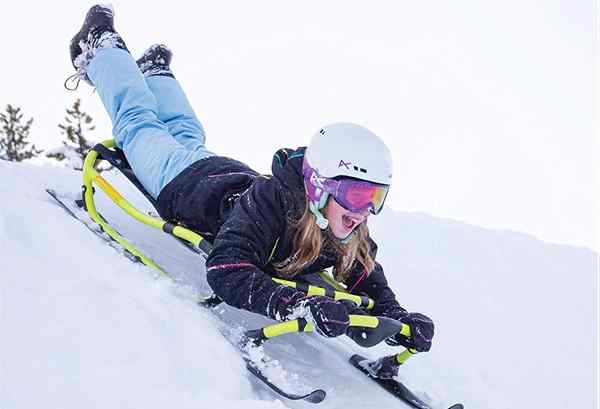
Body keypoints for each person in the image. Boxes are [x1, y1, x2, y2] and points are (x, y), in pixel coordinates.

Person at [69, 4, 435, 369]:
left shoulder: (345, 226)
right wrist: (296, 304)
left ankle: (154, 74)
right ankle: (99, 44)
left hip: (219, 172)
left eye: (375, 198)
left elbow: (366, 279)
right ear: (320, 184)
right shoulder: (273, 205)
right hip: (180, 183)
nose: (363, 211)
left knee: (184, 131)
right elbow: (226, 270)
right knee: (137, 123)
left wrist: (397, 318)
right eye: (356, 194)